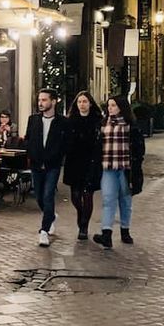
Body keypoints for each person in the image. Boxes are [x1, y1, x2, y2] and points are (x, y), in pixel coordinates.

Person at [93, 96, 145, 250]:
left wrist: (136, 165)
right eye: (109, 105)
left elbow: (139, 148)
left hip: (125, 168)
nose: (110, 108)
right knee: (108, 199)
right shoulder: (103, 124)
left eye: (113, 105)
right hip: (108, 167)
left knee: (125, 200)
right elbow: (98, 146)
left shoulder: (130, 126)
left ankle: (125, 230)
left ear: (121, 107)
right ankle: (106, 234)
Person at [25, 88, 69, 247]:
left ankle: (44, 231)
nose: (40, 103)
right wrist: (31, 153)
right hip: (36, 164)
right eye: (39, 100)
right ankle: (50, 216)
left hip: (53, 165)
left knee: (48, 195)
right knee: (39, 196)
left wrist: (57, 156)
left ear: (53, 101)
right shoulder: (33, 120)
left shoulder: (63, 122)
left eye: (44, 100)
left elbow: (65, 143)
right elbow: (28, 138)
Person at [63, 91, 103, 240]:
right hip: (74, 162)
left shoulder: (97, 121)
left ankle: (84, 226)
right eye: (79, 102)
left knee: (87, 194)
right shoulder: (70, 121)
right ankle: (81, 213)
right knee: (75, 195)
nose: (82, 104)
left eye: (85, 101)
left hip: (91, 162)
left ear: (90, 104)